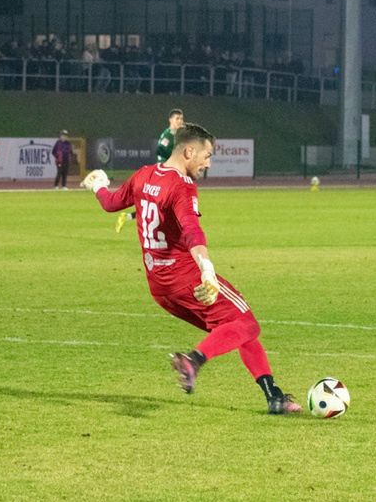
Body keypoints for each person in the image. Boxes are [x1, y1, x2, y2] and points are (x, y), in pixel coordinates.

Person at [82, 123, 303, 414]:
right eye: (206, 155)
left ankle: (274, 397)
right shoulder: (182, 186)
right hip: (186, 278)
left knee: (234, 329)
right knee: (247, 324)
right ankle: (193, 361)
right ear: (189, 151)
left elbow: (111, 203)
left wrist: (98, 185)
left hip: (159, 287)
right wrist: (206, 269)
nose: (208, 163)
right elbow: (191, 230)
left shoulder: (143, 175)